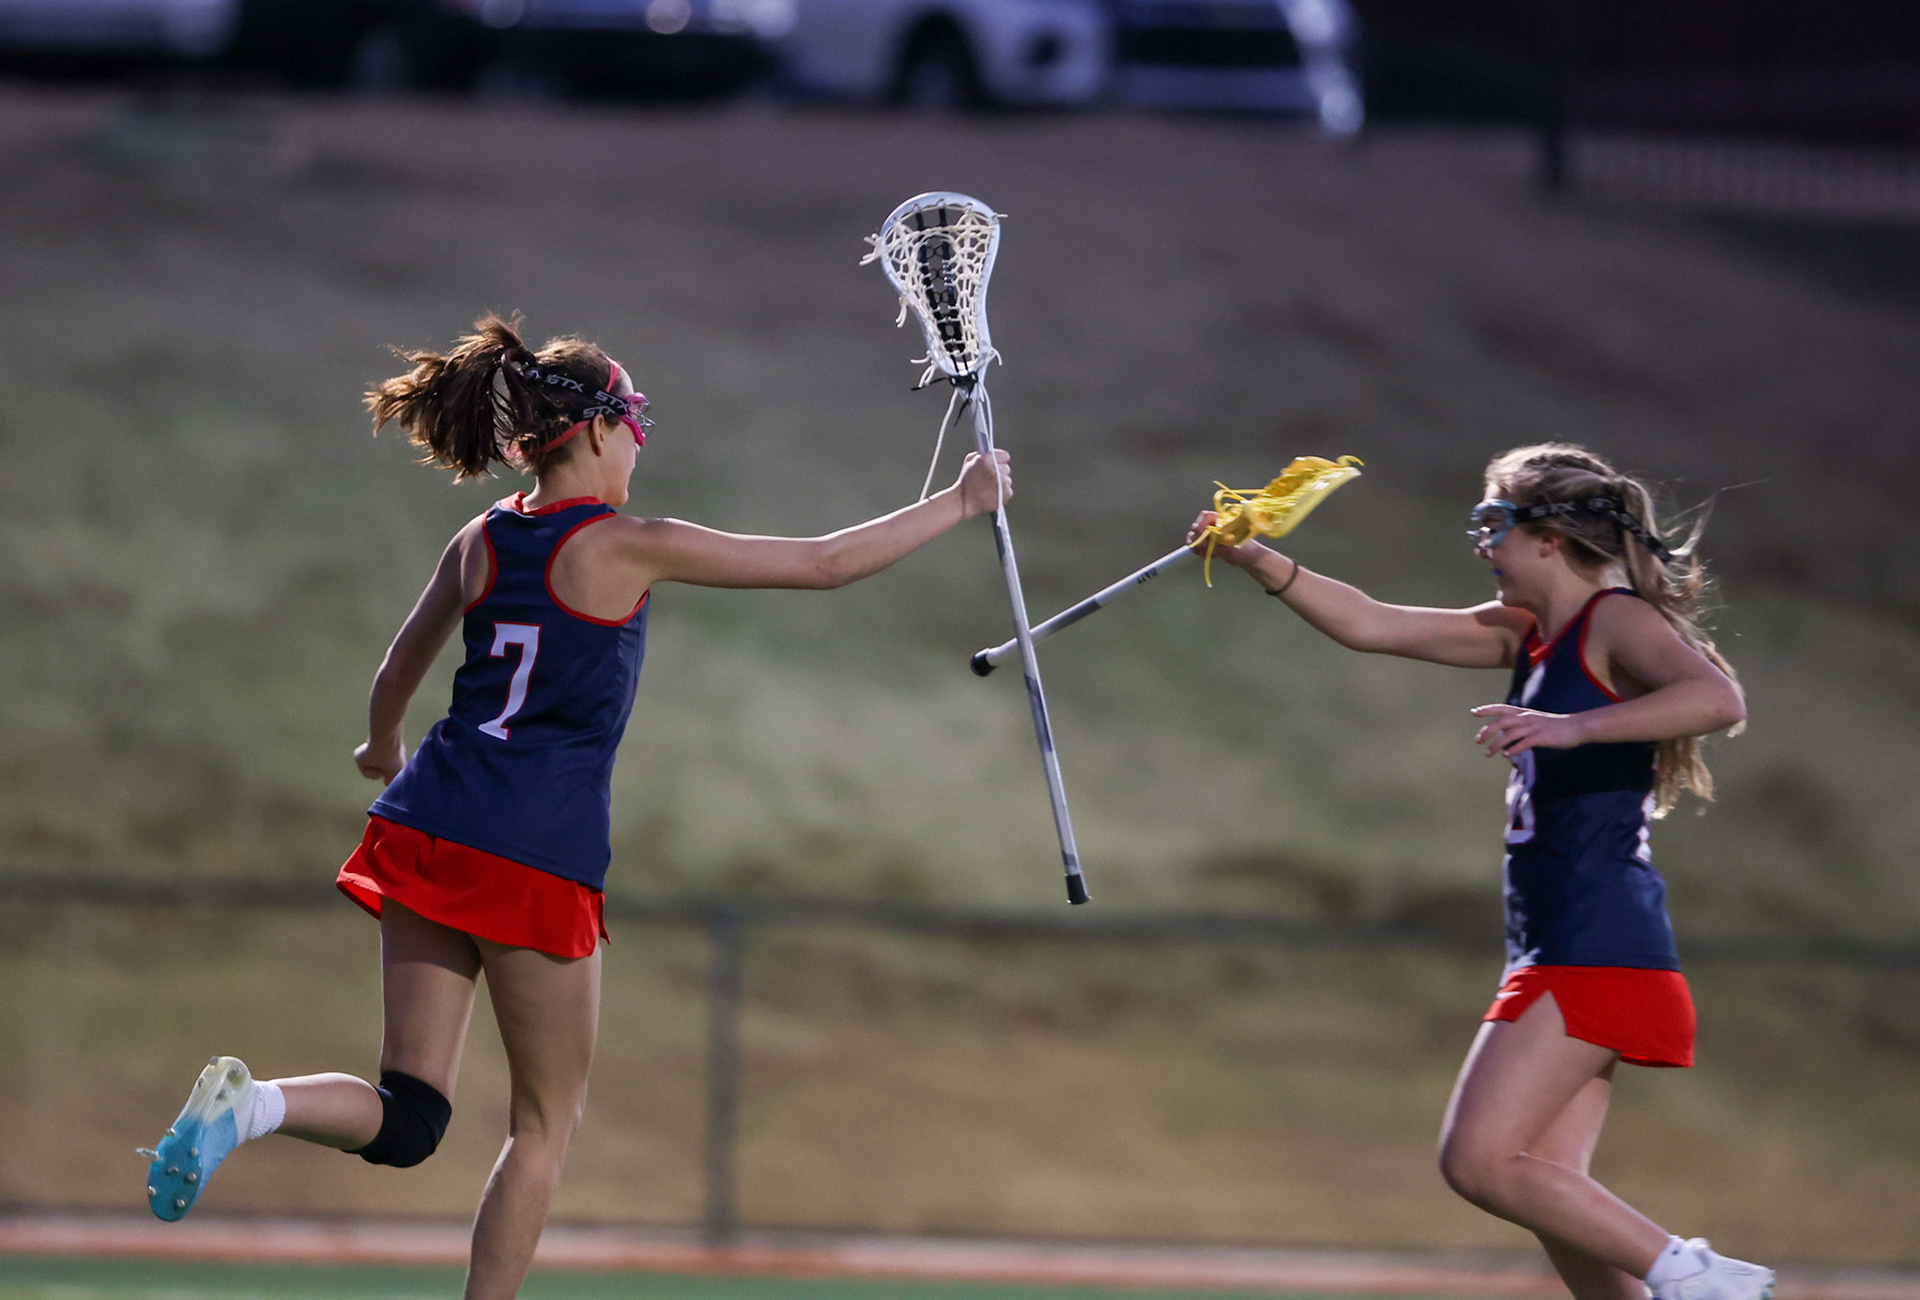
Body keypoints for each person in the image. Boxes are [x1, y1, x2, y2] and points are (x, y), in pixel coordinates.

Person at [141, 314, 1013, 1299]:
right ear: (598, 429)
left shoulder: (480, 539)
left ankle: (252, 1106)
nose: (641, 442)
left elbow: (395, 671)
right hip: (535, 852)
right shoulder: (624, 547)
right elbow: (823, 563)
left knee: (411, 1113)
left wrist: (381, 747)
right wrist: (961, 501)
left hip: (426, 825)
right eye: (637, 421)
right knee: (543, 1125)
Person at [1188, 444, 1772, 1300]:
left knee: (1480, 1162)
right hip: (1561, 942)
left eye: (1492, 523)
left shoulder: (1613, 620)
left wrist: (1572, 728)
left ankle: (1704, 1281)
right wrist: (1254, 557)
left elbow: (1719, 700)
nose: (1481, 543)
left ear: (1549, 537)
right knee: (1548, 1188)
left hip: (1594, 937)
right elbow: (1373, 623)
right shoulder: (1529, 635)